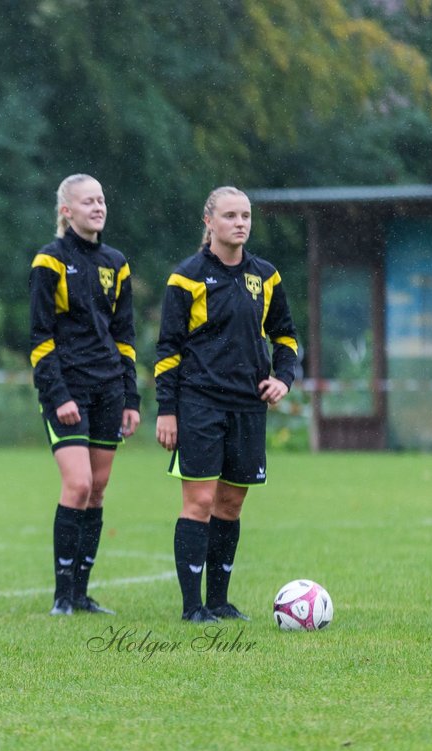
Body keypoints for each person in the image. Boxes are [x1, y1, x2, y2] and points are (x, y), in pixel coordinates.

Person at [154, 186, 300, 622]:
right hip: (199, 403)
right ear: (209, 222)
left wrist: (283, 379)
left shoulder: (266, 276)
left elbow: (287, 337)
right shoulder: (187, 277)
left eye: (246, 216)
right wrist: (166, 409)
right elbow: (168, 349)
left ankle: (219, 601)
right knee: (199, 502)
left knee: (230, 505)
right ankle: (192, 607)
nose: (240, 223)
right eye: (231, 215)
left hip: (248, 407)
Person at [28, 174, 140, 617]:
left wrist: (131, 398)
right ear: (66, 211)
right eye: (88, 201)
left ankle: (82, 593)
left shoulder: (117, 262)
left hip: (109, 387)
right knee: (77, 484)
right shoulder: (49, 262)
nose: (98, 207)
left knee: (97, 491)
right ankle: (61, 595)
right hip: (67, 388)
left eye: (102, 199)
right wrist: (58, 394)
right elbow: (39, 336)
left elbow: (125, 336)